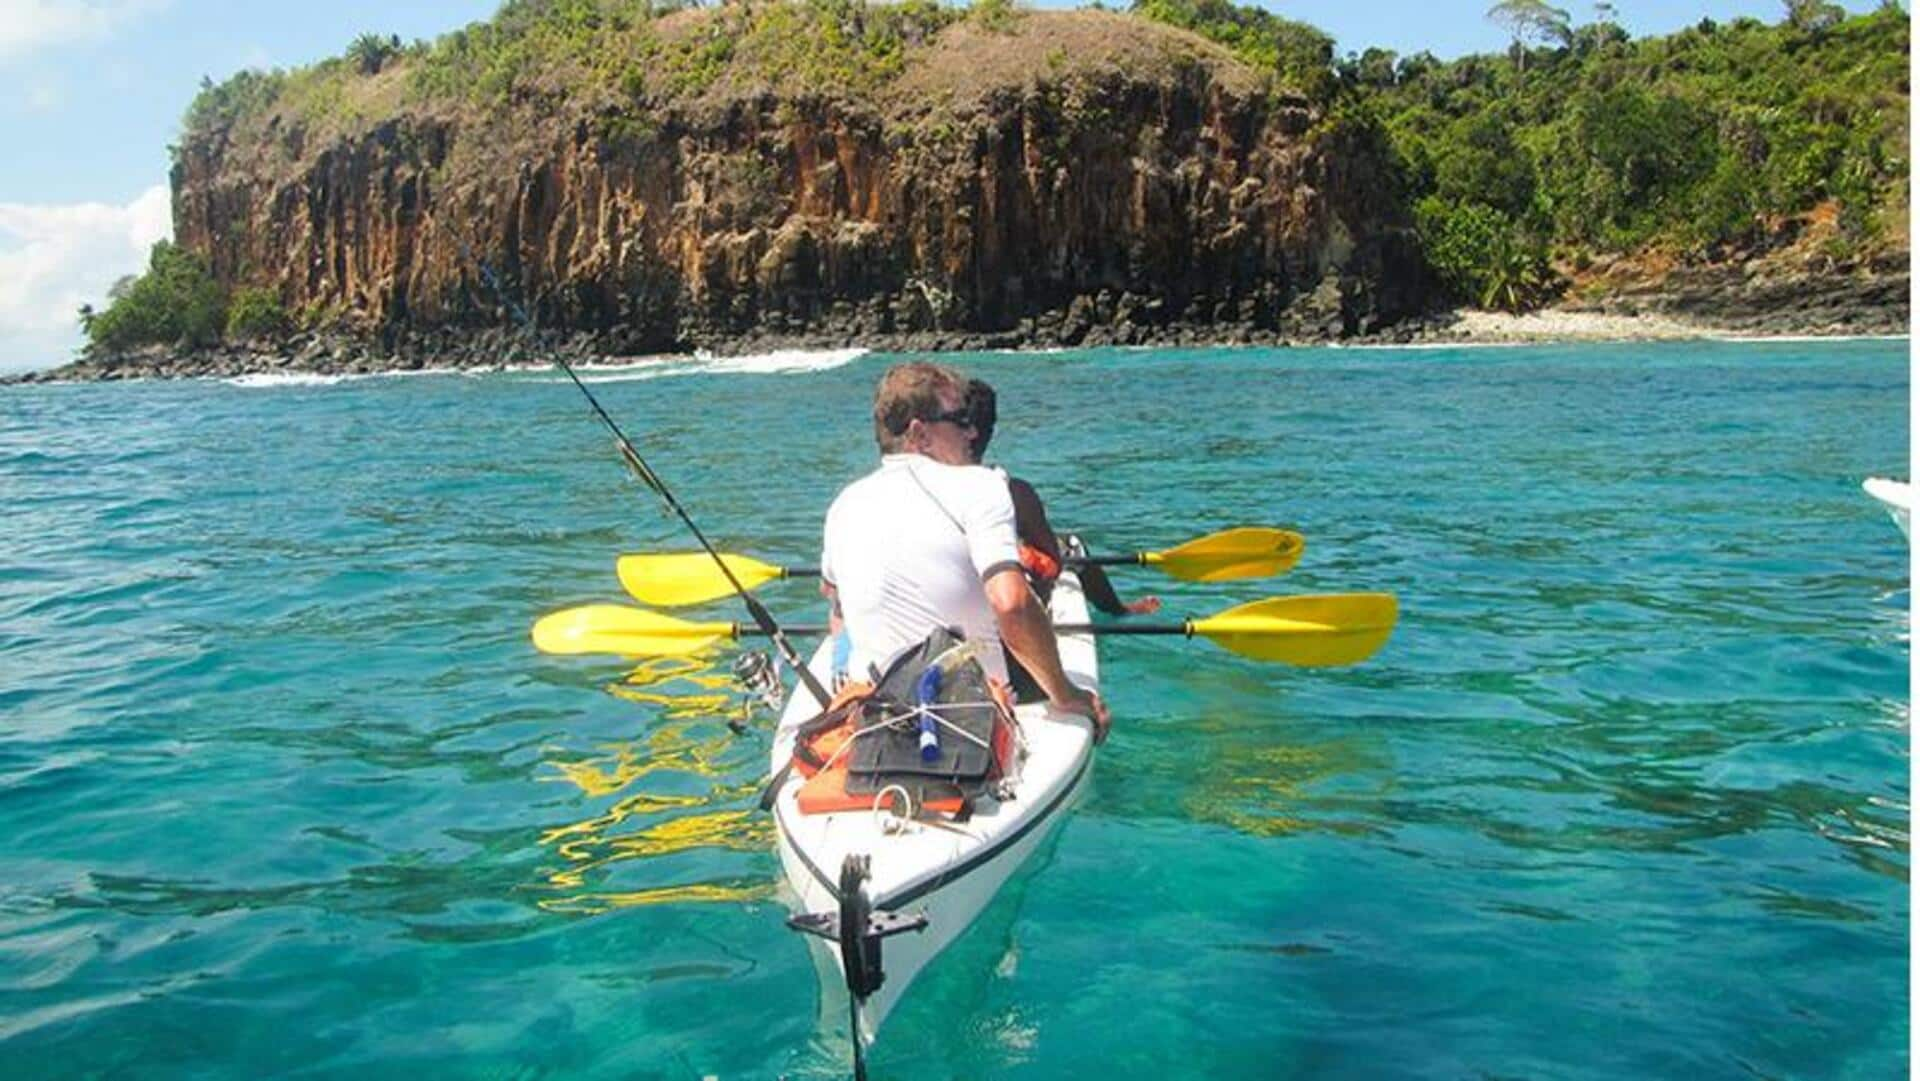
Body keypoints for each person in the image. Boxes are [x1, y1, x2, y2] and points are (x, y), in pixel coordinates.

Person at [821, 362, 1109, 738]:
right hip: (973, 719)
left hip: (871, 720)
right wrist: (1066, 694)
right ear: (919, 434)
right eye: (959, 420)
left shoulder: (844, 503)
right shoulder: (981, 485)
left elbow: (835, 600)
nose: (971, 431)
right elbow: (1011, 603)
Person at [962, 379, 1161, 618]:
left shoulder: (914, 484)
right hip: (1001, 597)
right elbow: (1052, 565)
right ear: (990, 431)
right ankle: (1118, 609)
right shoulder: (1014, 491)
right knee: (1071, 548)